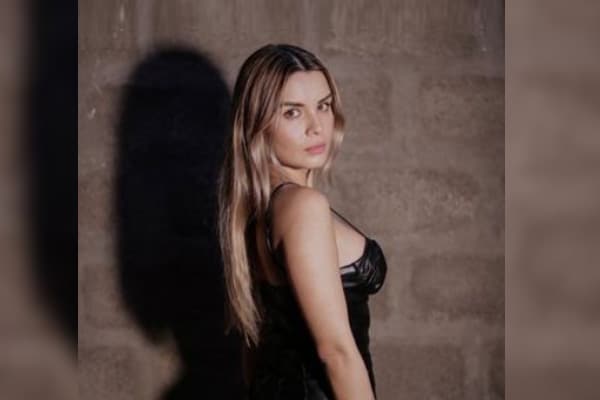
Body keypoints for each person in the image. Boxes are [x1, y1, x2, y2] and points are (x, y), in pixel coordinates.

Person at [216, 43, 387, 399]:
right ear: (258, 122)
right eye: (292, 112)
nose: (316, 126)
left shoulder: (257, 208)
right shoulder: (302, 207)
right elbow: (336, 353)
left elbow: (256, 348)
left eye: (323, 106)